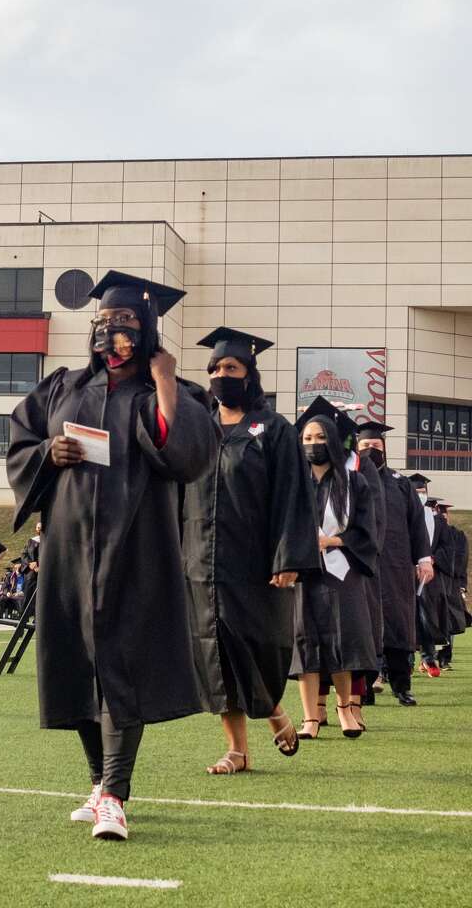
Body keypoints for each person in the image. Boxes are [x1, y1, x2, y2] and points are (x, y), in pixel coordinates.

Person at [7, 270, 217, 841]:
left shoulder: (165, 391)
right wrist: (50, 451)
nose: (112, 333)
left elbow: (186, 455)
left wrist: (168, 381)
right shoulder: (62, 386)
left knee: (123, 664)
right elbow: (22, 443)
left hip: (137, 549)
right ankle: (100, 783)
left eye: (125, 323)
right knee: (78, 665)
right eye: (103, 323)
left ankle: (116, 794)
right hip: (70, 550)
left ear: (146, 329)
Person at [182, 328, 319, 775]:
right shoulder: (198, 427)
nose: (223, 375)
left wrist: (289, 558)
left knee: (252, 643)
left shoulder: (272, 429)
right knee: (214, 649)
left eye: (232, 368)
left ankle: (274, 708)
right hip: (202, 557)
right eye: (217, 369)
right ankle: (237, 750)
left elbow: (293, 496)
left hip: (255, 560)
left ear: (249, 374)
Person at [290, 415, 378, 739]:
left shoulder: (354, 483)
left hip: (341, 568)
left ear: (332, 441)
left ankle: (345, 710)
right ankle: (310, 718)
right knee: (305, 641)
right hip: (302, 570)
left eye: (319, 437)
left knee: (344, 639)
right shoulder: (293, 484)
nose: (313, 444)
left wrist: (332, 540)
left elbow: (368, 530)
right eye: (307, 438)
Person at [411, 479, 447, 678]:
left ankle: (428, 657)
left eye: (422, 490)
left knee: (426, 618)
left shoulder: (438, 520)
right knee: (405, 617)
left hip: (429, 575)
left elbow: (445, 546)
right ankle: (405, 661)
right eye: (416, 490)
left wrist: (432, 559)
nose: (419, 493)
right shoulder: (402, 515)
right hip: (406, 572)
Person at [435, 501, 467, 669]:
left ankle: (445, 658)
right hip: (433, 582)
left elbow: (462, 561)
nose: (443, 514)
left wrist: (462, 585)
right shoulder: (428, 533)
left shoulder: (457, 535)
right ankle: (429, 657)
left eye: (445, 512)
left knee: (450, 620)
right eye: (439, 511)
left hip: (451, 583)